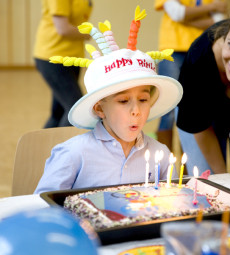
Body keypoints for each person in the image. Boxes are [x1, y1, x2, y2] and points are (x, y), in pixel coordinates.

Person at [34, 6, 183, 194]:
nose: (136, 110)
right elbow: (42, 208)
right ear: (99, 109)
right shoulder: (74, 155)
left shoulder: (160, 155)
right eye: (123, 101)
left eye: (143, 99)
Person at [176, 0, 230, 175]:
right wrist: (221, 177)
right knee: (209, 184)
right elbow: (198, 126)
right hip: (201, 121)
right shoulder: (199, 58)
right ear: (225, 36)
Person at [154, 0, 227, 150]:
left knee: (192, 108)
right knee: (168, 110)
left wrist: (185, 18)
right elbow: (177, 13)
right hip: (171, 51)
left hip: (202, 49)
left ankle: (186, 166)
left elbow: (219, 22)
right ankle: (165, 165)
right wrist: (212, 7)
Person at [34, 0, 93, 128]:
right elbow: (63, 28)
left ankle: (44, 147)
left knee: (59, 112)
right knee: (76, 110)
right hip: (52, 57)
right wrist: (90, 33)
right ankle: (60, 147)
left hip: (72, 58)